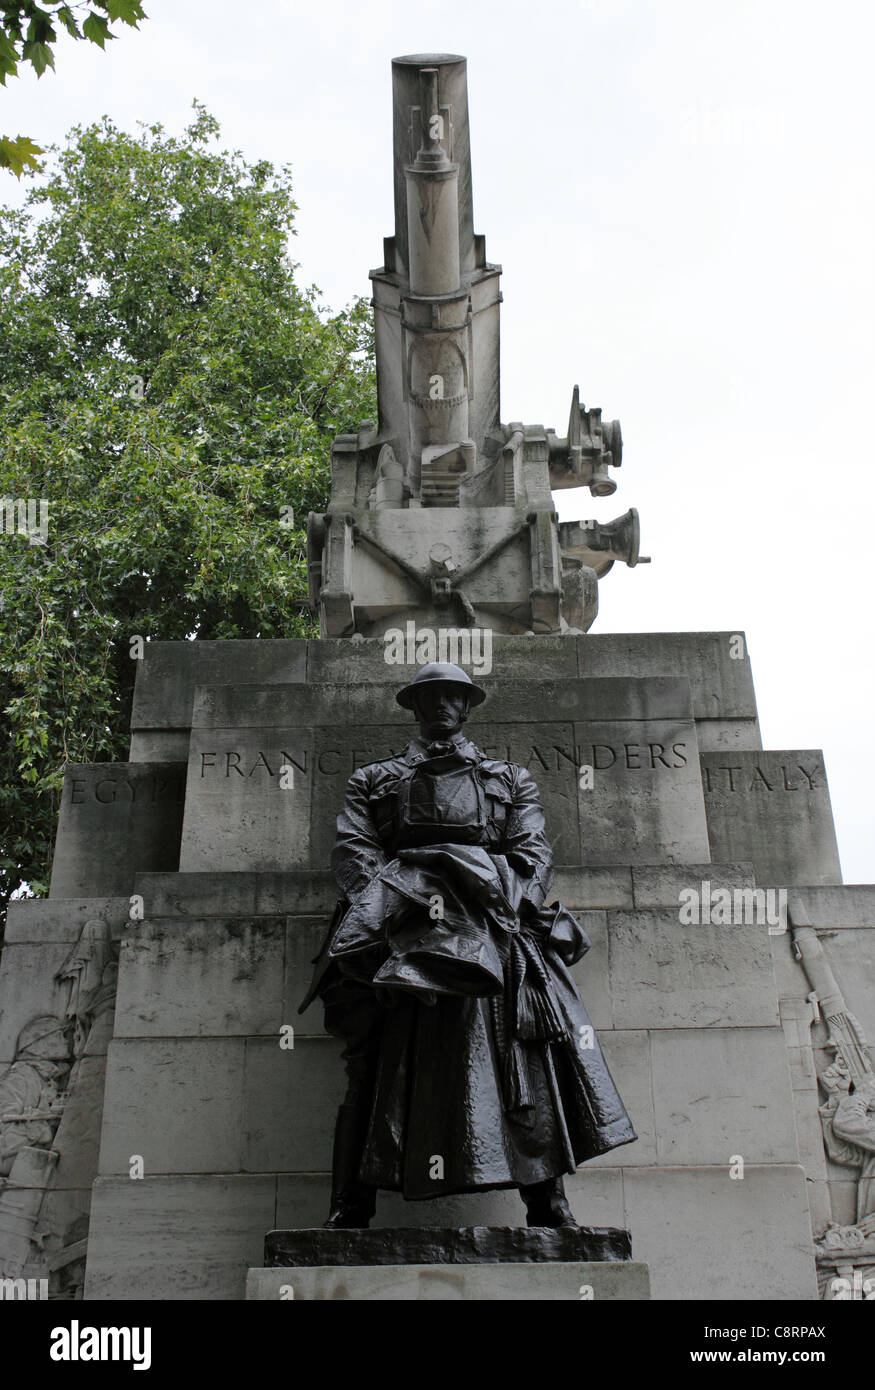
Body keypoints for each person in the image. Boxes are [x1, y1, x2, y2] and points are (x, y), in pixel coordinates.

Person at [300, 662, 636, 1227]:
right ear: (414, 705)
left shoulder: (508, 778)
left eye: (453, 696)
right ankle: (349, 1204)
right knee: (369, 1067)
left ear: (468, 704)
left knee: (527, 1056)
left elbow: (533, 855)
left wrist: (488, 891)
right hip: (395, 931)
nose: (442, 706)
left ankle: (547, 1200)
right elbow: (354, 854)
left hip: (493, 930)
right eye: (431, 696)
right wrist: (399, 907)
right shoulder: (373, 778)